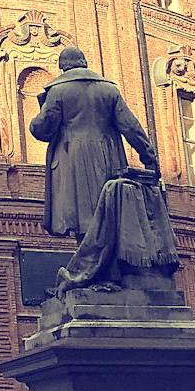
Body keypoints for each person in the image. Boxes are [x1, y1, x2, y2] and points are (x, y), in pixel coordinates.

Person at [28, 46, 177, 290]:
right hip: (109, 158)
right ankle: (106, 274)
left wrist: (39, 111)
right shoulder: (109, 90)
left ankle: (91, 275)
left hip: (73, 159)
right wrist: (148, 156)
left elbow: (41, 129)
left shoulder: (58, 91)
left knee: (83, 217)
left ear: (63, 67)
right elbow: (131, 126)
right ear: (85, 62)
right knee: (108, 213)